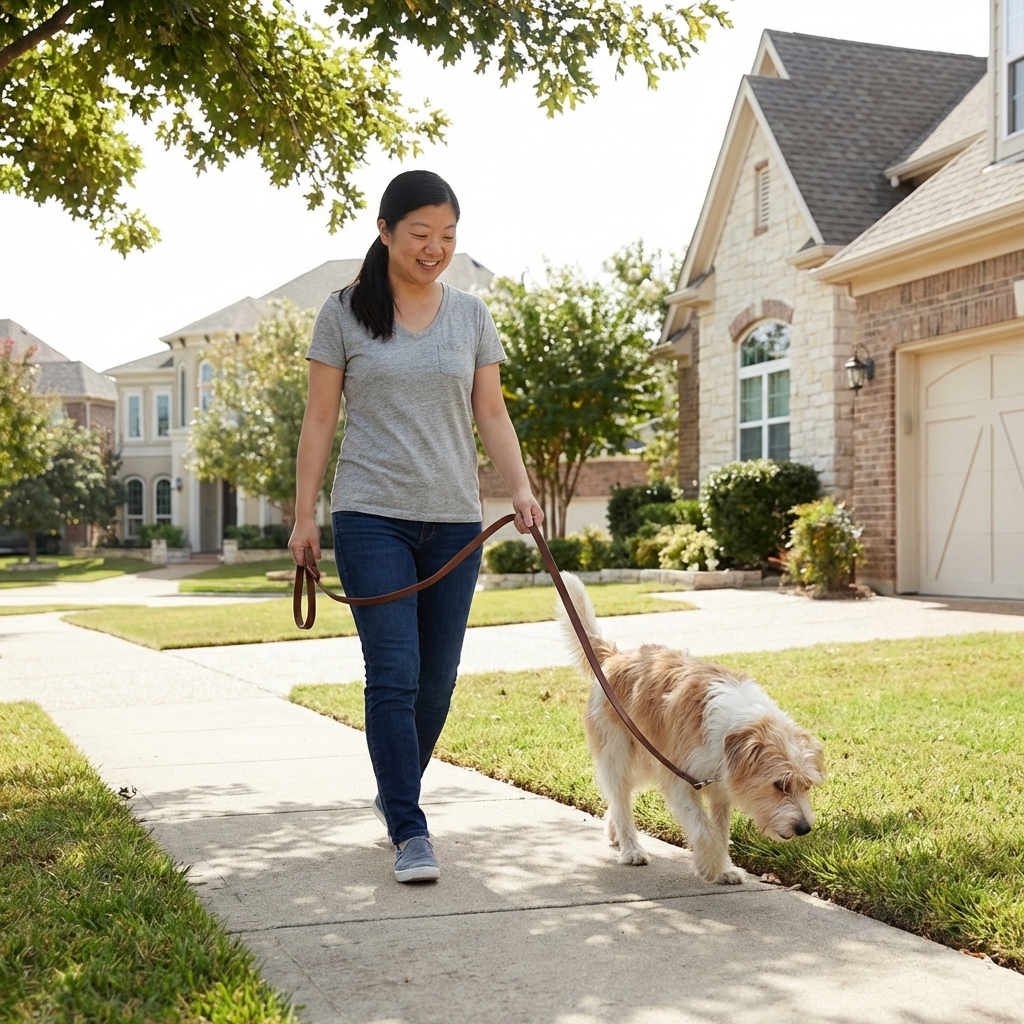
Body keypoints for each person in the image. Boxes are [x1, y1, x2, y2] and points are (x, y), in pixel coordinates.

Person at [289, 170, 543, 884]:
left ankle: (393, 789)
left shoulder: (470, 314)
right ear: (386, 232)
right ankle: (409, 826)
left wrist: (519, 488)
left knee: (437, 685)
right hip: (371, 515)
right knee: (394, 675)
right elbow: (319, 419)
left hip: (455, 520)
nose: (435, 248)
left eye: (448, 236)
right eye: (421, 234)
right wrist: (304, 514)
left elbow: (491, 412)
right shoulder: (342, 313)